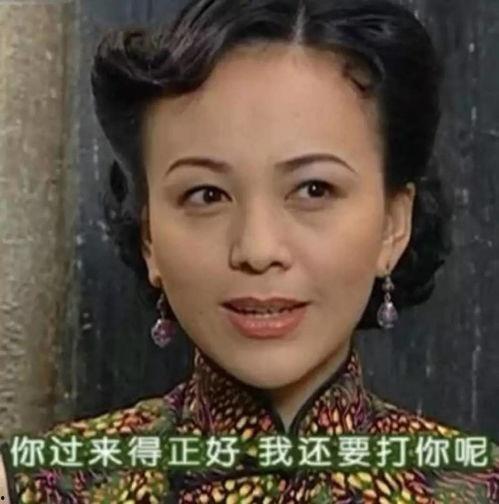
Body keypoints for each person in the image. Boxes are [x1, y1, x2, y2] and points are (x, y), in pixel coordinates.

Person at [1, 0, 498, 502]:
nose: (257, 250)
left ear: (393, 225)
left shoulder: (474, 488)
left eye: (314, 190)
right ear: (150, 237)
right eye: (206, 195)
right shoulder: (41, 487)